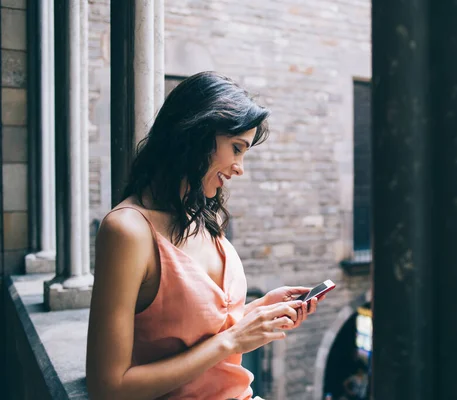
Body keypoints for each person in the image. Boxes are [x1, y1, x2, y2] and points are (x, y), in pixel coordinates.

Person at [86, 71, 323, 400]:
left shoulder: (201, 216)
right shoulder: (127, 231)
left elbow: (191, 330)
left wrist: (256, 313)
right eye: (236, 148)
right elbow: (108, 388)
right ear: (197, 135)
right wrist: (234, 339)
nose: (240, 167)